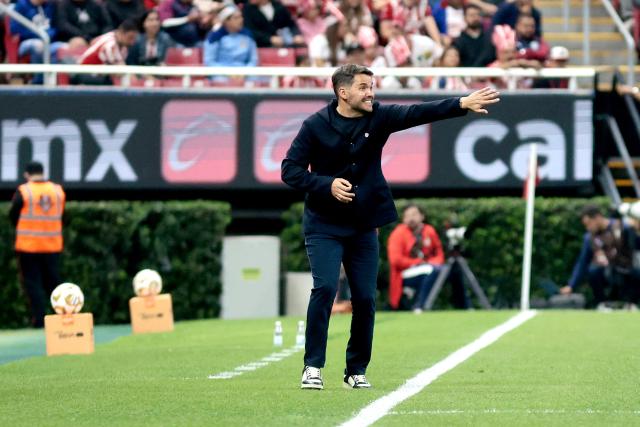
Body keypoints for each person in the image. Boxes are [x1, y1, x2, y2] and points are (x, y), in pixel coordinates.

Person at [281, 63, 499, 390]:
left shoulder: (379, 116)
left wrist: (460, 104)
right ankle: (312, 366)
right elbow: (290, 170)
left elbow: (416, 113)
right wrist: (325, 184)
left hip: (364, 225)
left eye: (372, 86)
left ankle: (355, 371)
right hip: (324, 225)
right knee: (325, 288)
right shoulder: (314, 126)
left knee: (366, 298)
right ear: (343, 92)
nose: (371, 93)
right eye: (364, 87)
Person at [9, 161, 66, 328]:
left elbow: (13, 216)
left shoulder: (24, 191)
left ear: (27, 174)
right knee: (54, 283)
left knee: (33, 284)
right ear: (42, 172)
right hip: (52, 245)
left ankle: (40, 320)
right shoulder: (57, 191)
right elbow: (63, 216)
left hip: (28, 246)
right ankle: (64, 317)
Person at [560, 205, 640, 309]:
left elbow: (637, 245)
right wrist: (571, 285)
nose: (587, 228)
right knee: (593, 271)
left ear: (597, 217)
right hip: (605, 272)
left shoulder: (622, 227)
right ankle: (602, 303)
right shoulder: (589, 237)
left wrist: (637, 230)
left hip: (626, 269)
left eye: (589, 224)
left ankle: (632, 303)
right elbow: (582, 262)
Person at [387, 204, 445, 313]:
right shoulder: (398, 233)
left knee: (447, 270)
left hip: (428, 267)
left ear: (422, 216)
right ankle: (419, 305)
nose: (411, 218)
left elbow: (439, 253)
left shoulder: (429, 230)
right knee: (432, 270)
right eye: (407, 216)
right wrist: (418, 262)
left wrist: (432, 263)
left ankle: (465, 305)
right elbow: (395, 260)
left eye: (414, 214)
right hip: (403, 273)